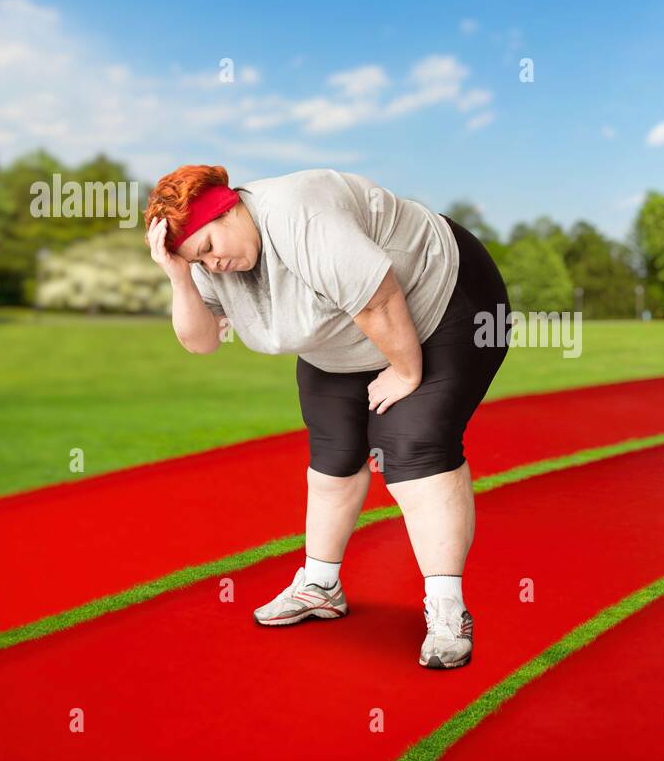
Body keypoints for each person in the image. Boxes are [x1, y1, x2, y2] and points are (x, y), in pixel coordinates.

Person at [144, 165, 510, 668]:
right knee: (332, 457)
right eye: (198, 260)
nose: (215, 263)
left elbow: (380, 300)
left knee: (412, 448)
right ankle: (321, 585)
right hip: (341, 335)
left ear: (229, 209)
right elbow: (201, 341)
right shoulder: (209, 266)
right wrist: (179, 275)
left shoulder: (301, 214)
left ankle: (448, 611)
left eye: (209, 247)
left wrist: (405, 373)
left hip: (440, 299)